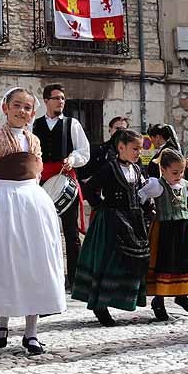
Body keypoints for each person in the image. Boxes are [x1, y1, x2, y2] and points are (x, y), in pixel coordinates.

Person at [0, 87, 67, 355]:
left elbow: (37, 174)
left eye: (28, 107)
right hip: (3, 205)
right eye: (17, 105)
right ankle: (2, 317)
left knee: (35, 264)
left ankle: (31, 332)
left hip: (33, 203)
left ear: (33, 112)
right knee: (5, 263)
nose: (22, 111)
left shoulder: (35, 141)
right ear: (5, 108)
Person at [71, 128, 151, 327]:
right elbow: (88, 188)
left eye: (139, 149)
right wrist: (101, 206)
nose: (138, 153)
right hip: (111, 221)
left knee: (131, 259)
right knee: (108, 260)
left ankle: (126, 298)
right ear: (121, 147)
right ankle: (100, 304)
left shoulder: (137, 169)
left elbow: (140, 192)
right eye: (134, 149)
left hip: (132, 220)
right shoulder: (110, 168)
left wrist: (147, 207)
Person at [31, 84, 90, 291]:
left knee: (71, 233)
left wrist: (72, 159)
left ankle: (74, 279)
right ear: (46, 101)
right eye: (56, 98)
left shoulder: (72, 124)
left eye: (63, 98)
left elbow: (84, 151)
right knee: (42, 232)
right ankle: (45, 278)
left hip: (65, 179)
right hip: (40, 182)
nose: (61, 101)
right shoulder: (33, 125)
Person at [139, 149, 188, 321]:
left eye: (181, 171)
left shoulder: (185, 185)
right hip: (165, 231)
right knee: (164, 265)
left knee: (185, 263)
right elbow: (140, 196)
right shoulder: (156, 185)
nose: (179, 175)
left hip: (184, 228)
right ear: (163, 169)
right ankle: (159, 301)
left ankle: (181, 295)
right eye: (175, 172)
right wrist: (146, 209)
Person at [77, 116, 128, 182]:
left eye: (123, 129)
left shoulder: (131, 151)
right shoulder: (98, 150)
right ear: (110, 129)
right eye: (117, 128)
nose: (120, 132)